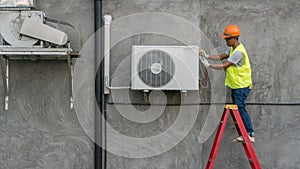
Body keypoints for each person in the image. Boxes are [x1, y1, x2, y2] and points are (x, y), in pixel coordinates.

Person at [200, 24, 255, 143]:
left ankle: (249, 133)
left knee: (241, 108)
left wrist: (209, 66)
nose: (226, 40)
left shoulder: (238, 53)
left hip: (242, 86)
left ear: (235, 38)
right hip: (237, 85)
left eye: (228, 39)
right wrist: (207, 56)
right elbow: (221, 56)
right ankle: (243, 134)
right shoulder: (232, 49)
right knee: (238, 110)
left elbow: (225, 65)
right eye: (225, 38)